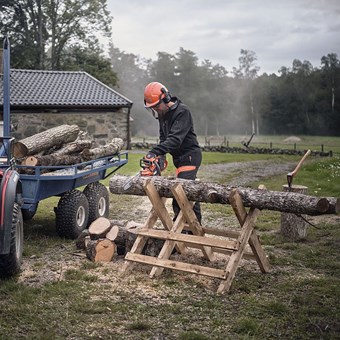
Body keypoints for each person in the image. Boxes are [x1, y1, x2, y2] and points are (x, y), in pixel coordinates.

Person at [143, 81, 202, 225]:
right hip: (179, 158)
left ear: (166, 98)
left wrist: (153, 152)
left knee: (180, 193)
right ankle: (194, 226)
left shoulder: (182, 112)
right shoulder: (163, 114)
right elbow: (164, 138)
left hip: (189, 156)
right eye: (153, 107)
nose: (156, 109)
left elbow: (175, 140)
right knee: (188, 191)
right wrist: (160, 156)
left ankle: (182, 229)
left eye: (157, 105)